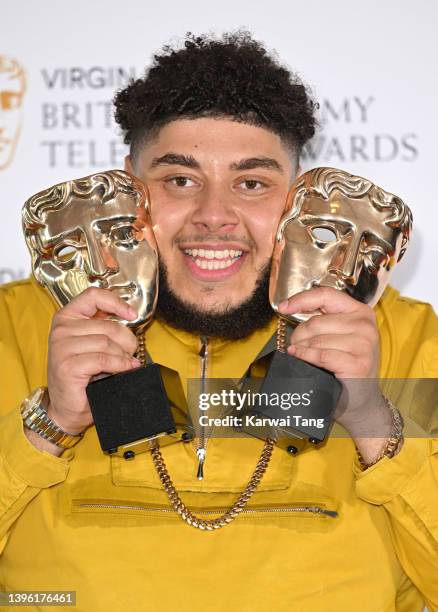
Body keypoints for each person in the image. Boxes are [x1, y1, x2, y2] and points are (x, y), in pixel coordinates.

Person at [0, 31, 437, 611]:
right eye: (179, 180)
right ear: (131, 190)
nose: (213, 216)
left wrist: (373, 420)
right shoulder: (16, 325)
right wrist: (47, 425)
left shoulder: (407, 339)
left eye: (251, 183)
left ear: (296, 199)